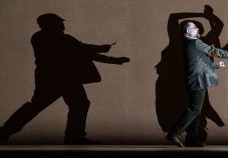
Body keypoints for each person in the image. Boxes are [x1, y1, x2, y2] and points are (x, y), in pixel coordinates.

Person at [0, 13, 130, 145]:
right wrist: (108, 54)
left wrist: (105, 53)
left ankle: (5, 131)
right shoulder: (61, 38)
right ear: (52, 24)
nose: (63, 25)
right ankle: (74, 137)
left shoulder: (38, 37)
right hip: (66, 79)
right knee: (78, 105)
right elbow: (84, 50)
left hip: (50, 79)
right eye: (59, 22)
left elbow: (82, 50)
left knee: (38, 106)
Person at [165, 21, 228, 147]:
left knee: (197, 110)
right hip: (197, 80)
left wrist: (216, 65)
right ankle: (174, 133)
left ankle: (191, 139)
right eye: (195, 28)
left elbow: (200, 61)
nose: (197, 29)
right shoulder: (195, 42)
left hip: (196, 79)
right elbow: (213, 51)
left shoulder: (188, 43)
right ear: (188, 32)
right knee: (195, 109)